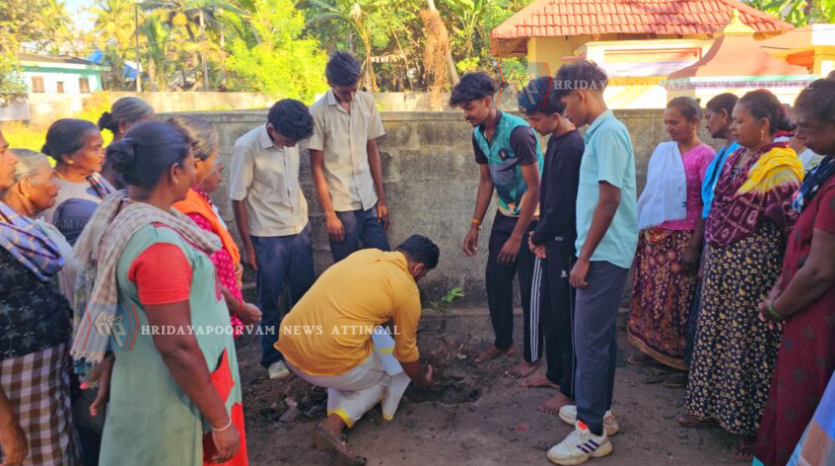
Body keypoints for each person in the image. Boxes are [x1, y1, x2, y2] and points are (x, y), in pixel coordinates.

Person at [71, 121, 246, 466]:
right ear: (175, 171)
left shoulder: (122, 214)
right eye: (191, 162)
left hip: (149, 378)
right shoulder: (158, 244)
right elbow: (177, 346)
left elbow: (115, 303)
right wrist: (220, 420)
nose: (198, 168)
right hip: (174, 400)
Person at [679, 89, 803, 461]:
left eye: (739, 120)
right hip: (721, 267)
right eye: (731, 120)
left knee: (746, 346)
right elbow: (717, 207)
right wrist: (707, 257)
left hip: (753, 274)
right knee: (714, 334)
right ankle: (711, 409)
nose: (732, 126)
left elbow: (791, 230)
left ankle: (750, 426)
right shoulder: (739, 157)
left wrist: (782, 282)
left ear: (764, 125)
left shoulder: (781, 165)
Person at [276, 235, 440, 466]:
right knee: (386, 375)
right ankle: (333, 426)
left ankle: (339, 394)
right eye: (423, 276)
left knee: (357, 345)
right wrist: (424, 382)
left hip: (289, 345)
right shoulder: (406, 290)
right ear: (418, 268)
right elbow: (406, 354)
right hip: (321, 361)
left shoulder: (366, 255)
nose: (421, 279)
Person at [547, 61, 638, 465]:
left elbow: (610, 200)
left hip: (601, 256)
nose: (564, 111)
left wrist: (583, 259)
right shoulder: (600, 133)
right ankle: (599, 412)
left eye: (565, 101)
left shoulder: (609, 134)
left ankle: (591, 433)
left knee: (588, 341)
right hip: (598, 252)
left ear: (580, 94)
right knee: (595, 340)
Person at [754, 79, 835, 466]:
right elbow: (801, 248)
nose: (798, 134)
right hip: (801, 307)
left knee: (804, 405)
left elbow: (820, 269)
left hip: (818, 319)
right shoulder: (825, 172)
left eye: (807, 127)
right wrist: (778, 287)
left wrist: (776, 308)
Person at [452, 72, 543, 378]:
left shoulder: (519, 133)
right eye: (462, 108)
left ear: (488, 101)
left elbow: (535, 188)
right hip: (506, 215)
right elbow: (486, 179)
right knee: (495, 280)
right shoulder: (478, 133)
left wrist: (518, 238)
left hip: (535, 218)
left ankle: (532, 357)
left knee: (531, 290)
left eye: (469, 107)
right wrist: (475, 225)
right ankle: (504, 343)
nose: (465, 114)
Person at [0, 131, 82, 466]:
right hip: (17, 380)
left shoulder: (24, 226)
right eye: (3, 151)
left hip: (47, 368)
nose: (12, 159)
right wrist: (7, 426)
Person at [628, 97, 715, 386]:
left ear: (694, 122)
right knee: (651, 295)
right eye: (666, 122)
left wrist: (694, 247)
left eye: (674, 122)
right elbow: (653, 192)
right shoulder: (664, 151)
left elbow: (707, 204)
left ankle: (677, 363)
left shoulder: (705, 156)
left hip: (683, 239)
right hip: (655, 237)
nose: (668, 128)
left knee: (676, 301)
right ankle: (651, 350)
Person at [229, 99, 316, 380]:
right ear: (271, 128)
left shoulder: (292, 138)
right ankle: (272, 358)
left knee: (303, 297)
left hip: (299, 229)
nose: (293, 146)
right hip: (267, 237)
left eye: (296, 142)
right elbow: (238, 198)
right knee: (269, 301)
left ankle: (302, 350)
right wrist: (249, 246)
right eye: (288, 141)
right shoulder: (247, 147)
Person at [517, 77, 584, 414]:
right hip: (551, 240)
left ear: (554, 115)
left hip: (563, 242)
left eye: (535, 119)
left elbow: (564, 205)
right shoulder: (555, 140)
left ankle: (569, 389)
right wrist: (541, 234)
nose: (532, 125)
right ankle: (556, 375)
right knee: (552, 315)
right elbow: (548, 194)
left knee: (566, 318)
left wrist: (536, 235)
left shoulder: (572, 146)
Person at [169, 116, 262, 338]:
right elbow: (204, 276)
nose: (216, 167)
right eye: (214, 158)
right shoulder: (183, 208)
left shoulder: (192, 196)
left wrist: (231, 264)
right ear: (195, 162)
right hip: (204, 322)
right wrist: (240, 309)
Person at [309, 51, 391, 263]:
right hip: (341, 207)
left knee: (384, 261)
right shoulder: (318, 113)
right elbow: (316, 167)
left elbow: (372, 150)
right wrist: (329, 215)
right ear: (330, 82)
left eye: (355, 89)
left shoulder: (367, 103)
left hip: (369, 201)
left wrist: (381, 199)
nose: (351, 96)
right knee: (345, 268)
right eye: (345, 92)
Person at [684, 93, 740, 366]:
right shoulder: (724, 153)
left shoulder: (737, 154)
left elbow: (716, 204)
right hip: (709, 236)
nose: (707, 124)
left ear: (725, 116)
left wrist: (699, 247)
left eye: (709, 116)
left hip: (718, 240)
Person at [40, 119, 115, 245]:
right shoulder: (52, 190)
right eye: (95, 149)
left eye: (102, 146)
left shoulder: (96, 179)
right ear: (68, 157)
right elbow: (53, 240)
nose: (103, 153)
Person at [98, 96, 155, 189]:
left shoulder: (126, 156)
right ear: (122, 125)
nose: (150, 133)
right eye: (145, 127)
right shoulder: (113, 161)